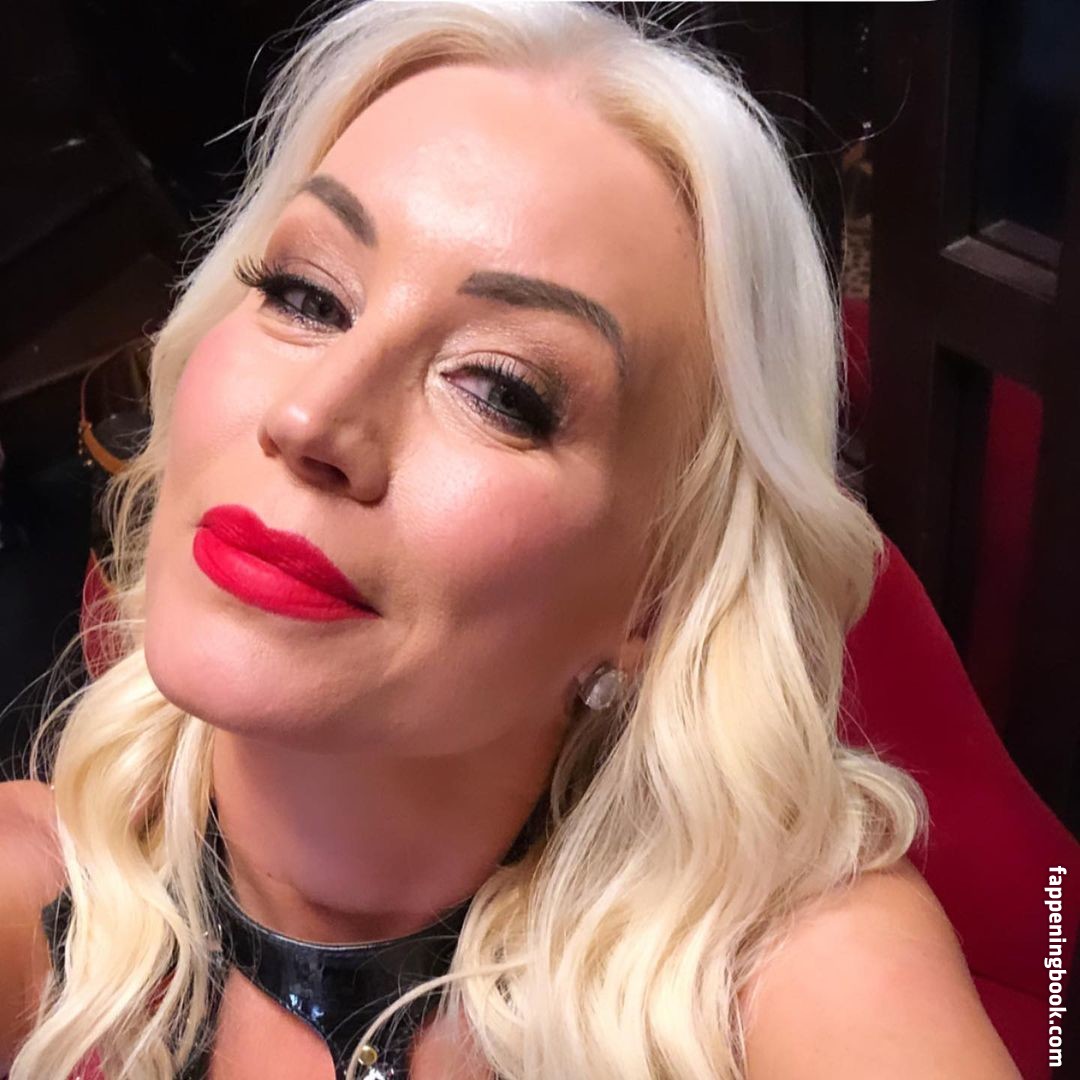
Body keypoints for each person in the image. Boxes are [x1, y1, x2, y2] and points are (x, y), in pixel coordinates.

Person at [0, 2, 1022, 1077]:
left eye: (500, 389)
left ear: (661, 593)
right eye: (305, 296)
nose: (310, 419)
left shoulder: (798, 972)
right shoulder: (29, 890)